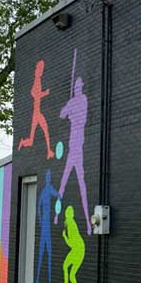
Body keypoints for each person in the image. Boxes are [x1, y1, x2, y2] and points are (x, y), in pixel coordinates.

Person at [57, 51, 91, 234]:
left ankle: (87, 222)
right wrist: (67, 108)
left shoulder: (83, 100)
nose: (79, 87)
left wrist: (71, 112)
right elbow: (61, 114)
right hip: (71, 149)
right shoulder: (72, 101)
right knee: (62, 183)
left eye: (80, 85)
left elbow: (82, 119)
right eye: (77, 85)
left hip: (78, 148)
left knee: (82, 184)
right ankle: (56, 216)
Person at [17, 60, 53, 159]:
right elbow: (33, 93)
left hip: (37, 113)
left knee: (42, 132)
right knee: (45, 130)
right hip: (36, 113)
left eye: (42, 68)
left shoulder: (38, 79)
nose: (41, 70)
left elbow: (34, 93)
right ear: (38, 70)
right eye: (41, 68)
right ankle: (48, 151)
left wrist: (42, 93)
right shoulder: (37, 79)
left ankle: (48, 151)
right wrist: (45, 93)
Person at [35, 170, 61, 283]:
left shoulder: (49, 189)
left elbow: (58, 195)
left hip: (48, 227)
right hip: (45, 226)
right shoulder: (45, 190)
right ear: (46, 177)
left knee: (49, 255)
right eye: (47, 176)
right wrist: (40, 220)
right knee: (41, 255)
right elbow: (38, 206)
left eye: (50, 176)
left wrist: (57, 210)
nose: (48, 178)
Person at [59, 205, 85, 283]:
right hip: (76, 249)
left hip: (79, 250)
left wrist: (64, 237)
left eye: (68, 213)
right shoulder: (68, 222)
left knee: (71, 276)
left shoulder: (72, 225)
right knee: (65, 266)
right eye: (66, 213)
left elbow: (72, 244)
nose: (66, 215)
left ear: (71, 215)